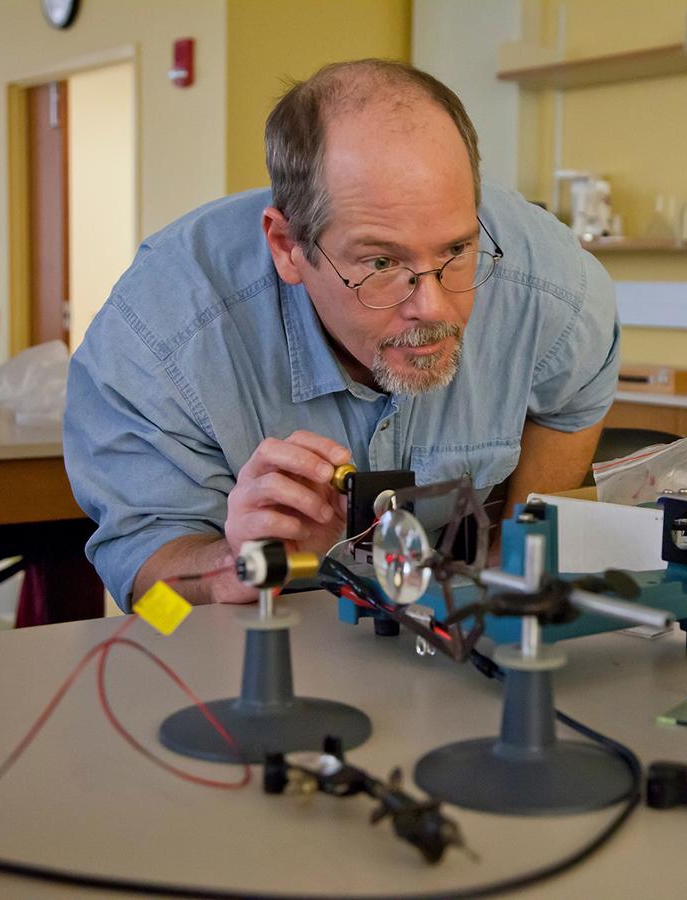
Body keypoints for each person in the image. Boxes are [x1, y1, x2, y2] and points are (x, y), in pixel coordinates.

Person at [64, 60, 619, 609]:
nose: (434, 307)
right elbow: (147, 597)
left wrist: (506, 573)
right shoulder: (158, 336)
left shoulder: (554, 291)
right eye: (380, 262)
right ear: (287, 247)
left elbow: (560, 443)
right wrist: (229, 568)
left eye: (456, 250)